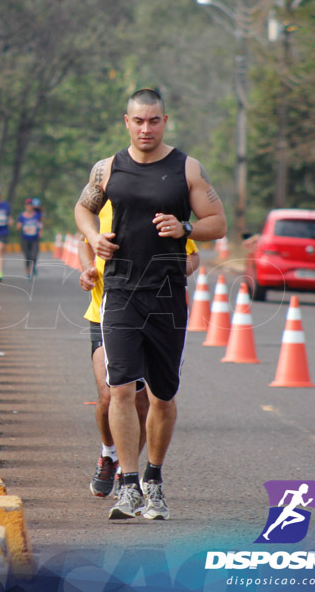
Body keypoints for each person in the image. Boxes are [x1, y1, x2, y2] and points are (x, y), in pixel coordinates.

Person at [74, 88, 226, 521]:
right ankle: (127, 483)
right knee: (119, 388)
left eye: (154, 121)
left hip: (165, 295)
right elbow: (82, 210)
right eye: (138, 121)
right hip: (119, 291)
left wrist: (186, 227)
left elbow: (218, 223)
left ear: (165, 121)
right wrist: (93, 236)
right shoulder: (107, 169)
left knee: (161, 395)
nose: (146, 129)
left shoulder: (186, 168)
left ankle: (154, 481)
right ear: (126, 121)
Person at [78, 200, 200, 500]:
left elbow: (193, 255)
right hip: (104, 311)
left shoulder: (161, 210)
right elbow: (86, 243)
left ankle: (127, 470)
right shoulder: (108, 206)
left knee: (141, 401)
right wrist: (88, 268)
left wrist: (172, 270)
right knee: (109, 395)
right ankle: (109, 454)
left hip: (152, 314)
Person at [16, 198, 43, 278]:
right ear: (25, 206)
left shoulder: (37, 215)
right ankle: (28, 273)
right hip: (25, 239)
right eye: (28, 205)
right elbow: (18, 226)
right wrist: (19, 227)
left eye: (31, 205)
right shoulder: (21, 216)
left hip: (34, 238)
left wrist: (40, 232)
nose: (29, 207)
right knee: (27, 256)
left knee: (34, 255)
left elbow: (40, 224)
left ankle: (34, 266)